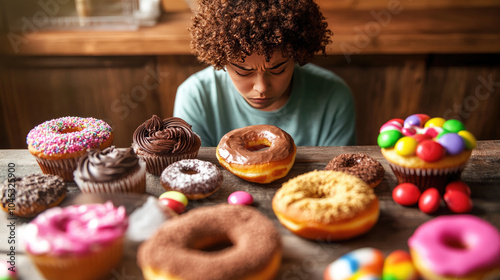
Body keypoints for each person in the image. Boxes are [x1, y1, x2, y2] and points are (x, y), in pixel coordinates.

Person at [173, 0, 356, 147]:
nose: (261, 88)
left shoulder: (334, 97)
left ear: (298, 56)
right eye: (243, 71)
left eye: (278, 69)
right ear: (222, 61)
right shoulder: (195, 96)